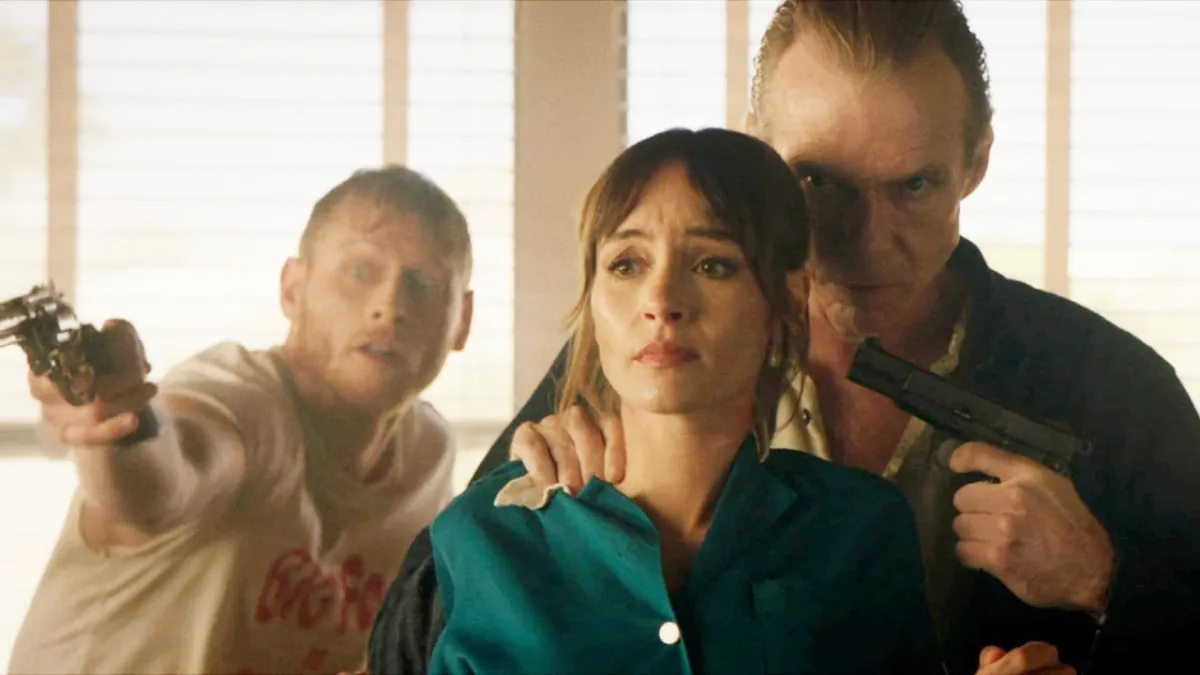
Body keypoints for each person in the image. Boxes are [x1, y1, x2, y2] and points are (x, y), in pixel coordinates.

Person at [371, 2, 1200, 675]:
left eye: (913, 185)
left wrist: (1106, 581)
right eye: (815, 181)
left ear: (975, 163)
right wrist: (527, 489)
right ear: (759, 152)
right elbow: (410, 635)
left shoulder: (1112, 388)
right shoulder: (645, 352)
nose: (859, 240)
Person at [425, 126, 945, 674]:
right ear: (594, 299)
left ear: (788, 301)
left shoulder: (859, 530)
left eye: (711, 265)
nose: (661, 300)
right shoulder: (484, 534)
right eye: (626, 264)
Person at [8, 166, 474, 675]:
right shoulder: (241, 400)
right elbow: (165, 480)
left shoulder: (428, 457)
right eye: (361, 273)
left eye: (424, 284)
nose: (390, 306)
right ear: (293, 289)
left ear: (463, 320)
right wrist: (118, 424)